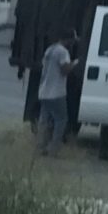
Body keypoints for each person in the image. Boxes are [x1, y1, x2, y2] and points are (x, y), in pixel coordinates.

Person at [36, 27, 77, 156]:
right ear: (69, 40)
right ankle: (53, 149)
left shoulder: (50, 49)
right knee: (61, 120)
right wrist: (75, 63)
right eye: (73, 41)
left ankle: (41, 146)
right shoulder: (63, 52)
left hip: (44, 91)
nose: (73, 44)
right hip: (56, 92)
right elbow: (65, 69)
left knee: (45, 121)